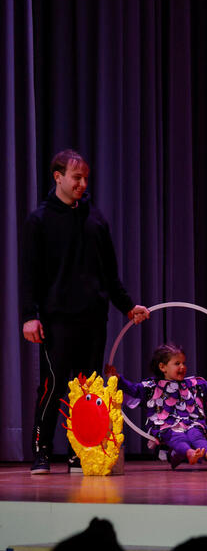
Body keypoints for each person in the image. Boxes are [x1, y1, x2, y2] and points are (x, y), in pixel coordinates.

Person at [20, 149, 150, 474]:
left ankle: (79, 451)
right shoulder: (39, 220)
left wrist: (127, 306)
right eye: (76, 177)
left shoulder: (96, 219)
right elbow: (29, 274)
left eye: (85, 178)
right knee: (53, 384)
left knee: (88, 387)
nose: (82, 184)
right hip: (56, 318)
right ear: (58, 177)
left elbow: (110, 273)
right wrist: (29, 316)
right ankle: (42, 450)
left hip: (93, 317)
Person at [106, 343, 207, 469]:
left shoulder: (194, 384)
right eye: (177, 363)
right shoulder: (151, 387)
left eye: (184, 363)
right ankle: (190, 453)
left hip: (191, 422)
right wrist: (116, 378)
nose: (182, 367)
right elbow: (132, 389)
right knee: (176, 436)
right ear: (162, 367)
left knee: (197, 434)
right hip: (166, 426)